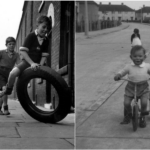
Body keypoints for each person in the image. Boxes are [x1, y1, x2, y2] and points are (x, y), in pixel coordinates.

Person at [0, 16, 50, 101]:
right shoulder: (31, 36)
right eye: (44, 27)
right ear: (37, 26)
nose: (46, 30)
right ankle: (8, 89)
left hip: (38, 63)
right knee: (12, 73)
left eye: (48, 28)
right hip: (27, 62)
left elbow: (44, 56)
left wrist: (40, 66)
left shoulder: (46, 40)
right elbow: (23, 52)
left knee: (50, 75)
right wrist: (32, 63)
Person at [114, 45, 150, 128]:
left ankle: (142, 116)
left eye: (140, 56)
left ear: (144, 57)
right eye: (135, 56)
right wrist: (118, 75)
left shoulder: (147, 66)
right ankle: (129, 113)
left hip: (143, 88)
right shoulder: (128, 66)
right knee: (126, 103)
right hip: (131, 88)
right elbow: (122, 72)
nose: (137, 58)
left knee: (144, 102)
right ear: (131, 57)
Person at [0, 37, 20, 115]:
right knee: (4, 89)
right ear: (6, 45)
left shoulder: (16, 54)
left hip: (9, 74)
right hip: (1, 73)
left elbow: (19, 64)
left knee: (6, 92)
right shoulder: (1, 52)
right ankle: (5, 108)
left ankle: (1, 109)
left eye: (13, 44)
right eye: (9, 44)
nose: (11, 45)